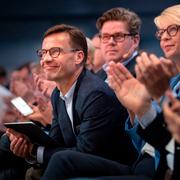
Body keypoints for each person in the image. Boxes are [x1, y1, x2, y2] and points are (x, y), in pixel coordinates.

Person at [1, 24, 137, 179]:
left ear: (78, 57)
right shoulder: (58, 93)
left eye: (55, 52)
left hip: (113, 165)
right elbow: (57, 141)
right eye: (43, 53)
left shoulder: (95, 94)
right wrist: (27, 144)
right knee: (8, 156)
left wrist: (34, 151)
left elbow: (84, 153)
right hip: (77, 160)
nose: (45, 59)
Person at [108, 4, 180, 180]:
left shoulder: (161, 82)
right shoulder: (170, 80)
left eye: (171, 30)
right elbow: (145, 143)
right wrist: (136, 110)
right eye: (160, 32)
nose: (164, 37)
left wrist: (158, 100)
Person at [95, 7, 141, 81]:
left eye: (118, 36)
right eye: (105, 37)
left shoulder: (146, 72)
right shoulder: (97, 76)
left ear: (135, 41)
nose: (111, 42)